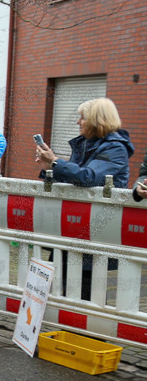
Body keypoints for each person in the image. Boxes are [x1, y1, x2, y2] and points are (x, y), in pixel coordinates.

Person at [34, 98, 134, 300]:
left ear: (97, 121)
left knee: (85, 292)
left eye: (83, 118)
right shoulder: (86, 144)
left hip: (96, 227)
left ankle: (85, 330)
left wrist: (55, 161)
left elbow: (88, 178)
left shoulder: (115, 148)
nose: (78, 122)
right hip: (75, 224)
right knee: (63, 284)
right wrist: (49, 169)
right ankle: (70, 326)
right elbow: (74, 178)